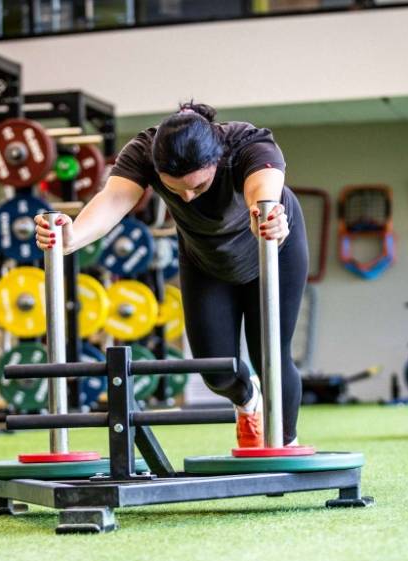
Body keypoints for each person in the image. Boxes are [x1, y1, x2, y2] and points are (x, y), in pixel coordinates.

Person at [35, 103, 308, 448]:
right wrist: (73, 237)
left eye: (198, 186)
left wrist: (266, 214)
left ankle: (285, 444)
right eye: (176, 190)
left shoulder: (247, 143)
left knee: (270, 357)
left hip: (272, 249)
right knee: (215, 370)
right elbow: (114, 198)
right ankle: (247, 399)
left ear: (217, 160)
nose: (187, 197)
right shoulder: (143, 151)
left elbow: (263, 190)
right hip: (205, 259)